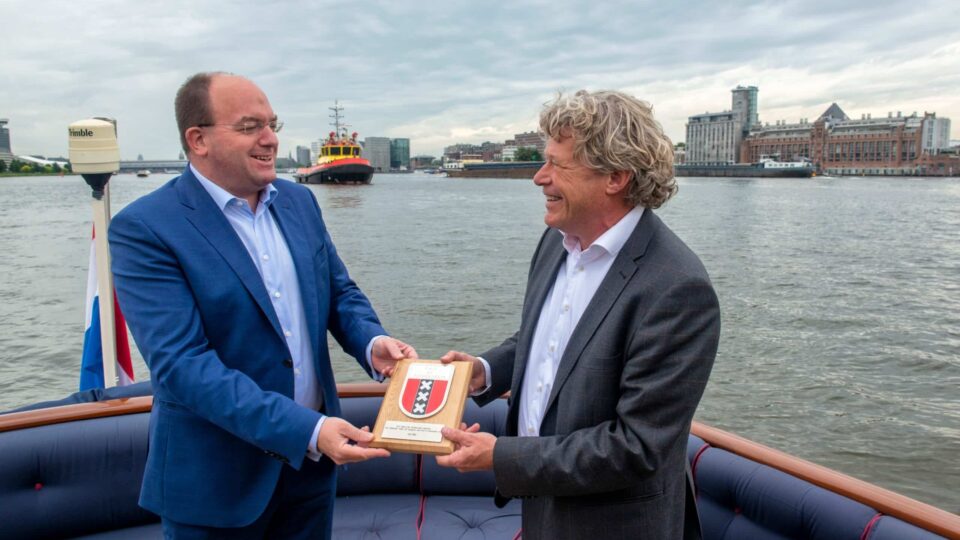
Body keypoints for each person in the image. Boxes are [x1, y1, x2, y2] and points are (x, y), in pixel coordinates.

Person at [109, 72, 415, 539]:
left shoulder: (300, 201)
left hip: (310, 472)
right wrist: (307, 429)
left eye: (273, 124)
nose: (270, 139)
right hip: (216, 484)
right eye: (250, 127)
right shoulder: (146, 228)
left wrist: (372, 342)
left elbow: (338, 293)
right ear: (198, 140)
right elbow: (182, 364)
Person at [436, 90, 721, 540]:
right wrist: (485, 370)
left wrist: (499, 456)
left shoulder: (677, 288)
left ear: (615, 177)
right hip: (542, 508)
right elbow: (548, 338)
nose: (539, 177)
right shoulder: (557, 241)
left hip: (615, 526)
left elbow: (636, 446)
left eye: (557, 165)